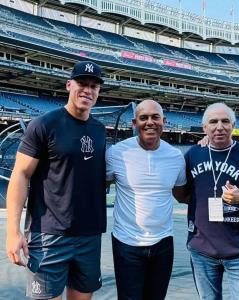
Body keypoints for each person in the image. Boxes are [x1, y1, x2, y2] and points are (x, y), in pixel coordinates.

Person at [6, 61, 107, 299]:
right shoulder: (44, 125)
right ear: (69, 84)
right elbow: (20, 174)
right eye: (82, 83)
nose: (88, 90)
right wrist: (13, 231)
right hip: (49, 234)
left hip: (89, 235)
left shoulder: (100, 130)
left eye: (94, 86)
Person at [185, 103, 239, 300]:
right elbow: (183, 194)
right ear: (204, 128)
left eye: (225, 121)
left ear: (233, 125)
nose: (219, 126)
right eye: (213, 122)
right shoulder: (192, 154)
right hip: (202, 250)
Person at [106, 99, 187, 300]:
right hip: (126, 243)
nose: (150, 122)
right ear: (134, 123)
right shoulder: (117, 153)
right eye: (144, 118)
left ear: (164, 122)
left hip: (163, 242)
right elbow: (99, 184)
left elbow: (181, 193)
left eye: (155, 117)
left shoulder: (175, 156)